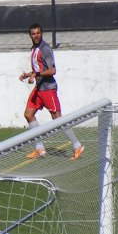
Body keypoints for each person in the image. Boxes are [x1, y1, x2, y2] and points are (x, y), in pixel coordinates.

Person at [20, 23, 84, 160]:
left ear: (41, 33)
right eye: (33, 34)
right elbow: (39, 70)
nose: (36, 36)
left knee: (57, 118)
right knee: (28, 114)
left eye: (38, 33)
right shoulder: (34, 48)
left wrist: (36, 74)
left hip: (48, 88)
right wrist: (28, 75)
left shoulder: (45, 49)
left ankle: (77, 145)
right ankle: (39, 148)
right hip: (39, 88)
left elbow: (52, 70)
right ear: (30, 35)